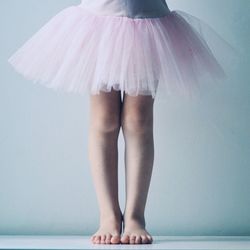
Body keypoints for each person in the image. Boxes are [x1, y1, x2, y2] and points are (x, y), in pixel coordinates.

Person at [8, 0, 238, 245]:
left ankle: (135, 216)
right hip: (100, 18)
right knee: (104, 119)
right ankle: (108, 215)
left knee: (138, 119)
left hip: (146, 17)